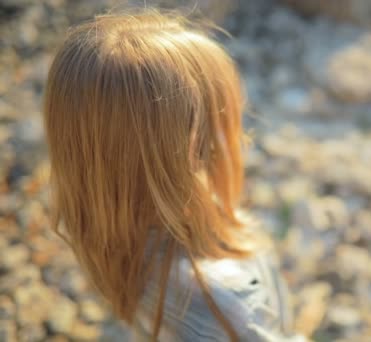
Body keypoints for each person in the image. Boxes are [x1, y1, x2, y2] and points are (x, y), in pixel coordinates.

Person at [43, 9, 304, 342]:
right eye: (220, 120)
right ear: (186, 151)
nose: (239, 137)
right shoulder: (226, 302)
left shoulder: (105, 226)